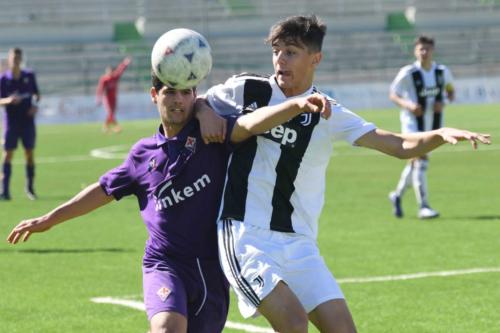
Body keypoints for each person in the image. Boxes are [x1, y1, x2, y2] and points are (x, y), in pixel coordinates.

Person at [196, 15, 490, 333]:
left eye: (291, 51)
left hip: (299, 242)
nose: (280, 59)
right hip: (245, 234)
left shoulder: (328, 112)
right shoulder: (247, 90)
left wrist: (439, 133)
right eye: (277, 51)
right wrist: (203, 111)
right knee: (294, 325)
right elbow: (196, 101)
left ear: (316, 59)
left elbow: (398, 143)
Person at [7, 66, 331, 332]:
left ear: (195, 95)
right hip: (165, 263)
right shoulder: (141, 155)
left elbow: (248, 125)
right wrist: (48, 220)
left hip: (212, 269)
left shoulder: (211, 133)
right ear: (154, 95)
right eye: (169, 92)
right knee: (166, 328)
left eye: (186, 92)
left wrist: (295, 106)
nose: (178, 100)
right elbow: (101, 191)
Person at [388, 35, 456, 219]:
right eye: (421, 49)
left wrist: (443, 102)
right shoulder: (408, 72)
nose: (424, 53)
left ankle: (397, 195)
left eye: (427, 49)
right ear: (415, 51)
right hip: (412, 125)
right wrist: (408, 105)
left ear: (433, 51)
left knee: (415, 163)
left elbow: (451, 93)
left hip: (434, 125)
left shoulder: (442, 72)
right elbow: (393, 94)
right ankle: (423, 206)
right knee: (420, 161)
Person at [0, 48, 40, 201]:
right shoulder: (4, 79)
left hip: (27, 122)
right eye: (13, 57)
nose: (16, 60)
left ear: (21, 59)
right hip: (11, 122)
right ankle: (5, 190)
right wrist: (8, 101)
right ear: (9, 59)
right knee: (8, 154)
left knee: (29, 154)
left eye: (18, 57)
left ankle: (30, 188)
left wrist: (35, 106)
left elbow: (37, 95)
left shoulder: (29, 76)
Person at [96, 56, 132, 133]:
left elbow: (120, 70)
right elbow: (100, 89)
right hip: (107, 98)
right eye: (108, 71)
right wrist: (99, 99)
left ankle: (105, 127)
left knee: (112, 113)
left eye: (111, 71)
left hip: (114, 98)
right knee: (110, 113)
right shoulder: (104, 79)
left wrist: (125, 63)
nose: (109, 72)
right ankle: (116, 126)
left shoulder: (115, 77)